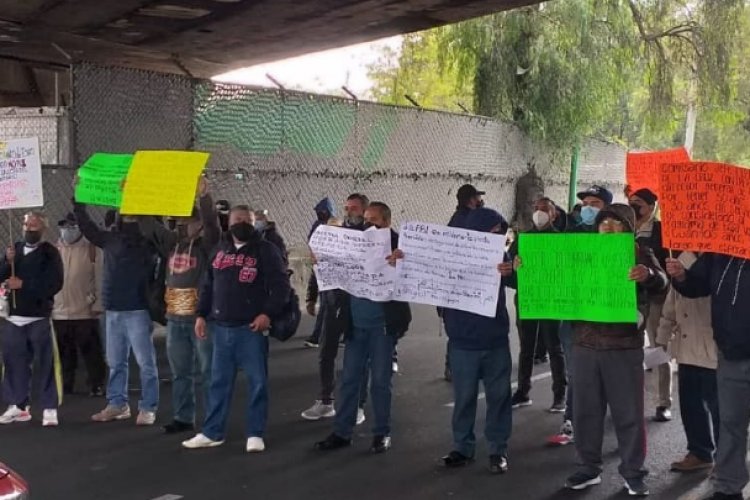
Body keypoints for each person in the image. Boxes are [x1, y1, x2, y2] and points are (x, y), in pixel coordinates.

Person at [561, 204, 667, 496]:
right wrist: (525, 267)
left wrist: (648, 275)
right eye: (603, 220)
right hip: (584, 345)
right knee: (585, 412)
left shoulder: (638, 252)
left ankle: (633, 473)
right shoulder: (581, 252)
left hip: (622, 348)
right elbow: (553, 277)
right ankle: (588, 467)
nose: (608, 225)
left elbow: (663, 284)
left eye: (616, 221)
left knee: (628, 413)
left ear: (628, 227)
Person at [182, 205, 290, 452]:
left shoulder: (266, 250)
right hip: (221, 329)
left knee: (257, 382)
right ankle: (212, 432)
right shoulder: (220, 250)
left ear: (254, 223)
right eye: (237, 219)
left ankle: (255, 433)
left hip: (251, 329)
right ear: (228, 223)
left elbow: (281, 286)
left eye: (247, 220)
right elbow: (208, 284)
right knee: (218, 382)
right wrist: (201, 314)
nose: (242, 223)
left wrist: (267, 313)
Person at [314, 202, 411, 453]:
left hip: (383, 327)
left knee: (380, 381)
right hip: (356, 325)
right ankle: (342, 432)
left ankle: (382, 432)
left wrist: (402, 263)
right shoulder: (353, 242)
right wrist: (321, 257)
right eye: (366, 219)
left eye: (374, 220)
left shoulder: (401, 245)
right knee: (349, 379)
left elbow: (414, 278)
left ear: (387, 222)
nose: (368, 224)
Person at [139, 179, 220, 435]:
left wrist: (204, 196)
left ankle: (212, 418)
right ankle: (183, 416)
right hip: (175, 316)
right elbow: (150, 227)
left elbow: (212, 225)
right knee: (180, 372)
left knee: (208, 372)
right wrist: (136, 197)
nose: (181, 226)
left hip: (200, 317)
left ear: (197, 224)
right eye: (177, 222)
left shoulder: (208, 244)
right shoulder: (172, 243)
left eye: (186, 222)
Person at [666, 253, 750, 500]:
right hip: (731, 353)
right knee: (731, 423)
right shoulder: (720, 252)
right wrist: (681, 276)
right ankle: (728, 487)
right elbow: (697, 285)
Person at [439, 207, 514, 474]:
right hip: (462, 341)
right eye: (493, 232)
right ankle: (462, 447)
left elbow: (518, 280)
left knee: (499, 397)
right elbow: (422, 271)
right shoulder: (449, 258)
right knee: (464, 398)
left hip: (494, 340)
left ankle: (498, 449)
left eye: (500, 234)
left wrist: (511, 272)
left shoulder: (501, 255)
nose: (498, 238)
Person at [74, 202, 160, 426]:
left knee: (145, 363)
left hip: (137, 309)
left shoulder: (148, 240)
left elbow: (157, 230)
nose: (127, 212)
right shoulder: (111, 238)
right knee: (115, 361)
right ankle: (117, 404)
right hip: (113, 309)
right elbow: (87, 227)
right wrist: (78, 201)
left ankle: (148, 406)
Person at [547, 187, 613, 446]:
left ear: (606, 207)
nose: (587, 208)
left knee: (601, 374)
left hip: (604, 319)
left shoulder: (617, 237)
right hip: (573, 317)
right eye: (584, 203)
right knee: (576, 371)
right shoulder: (570, 235)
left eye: (594, 203)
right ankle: (571, 418)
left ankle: (597, 418)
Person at [301, 193, 371, 423]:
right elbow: (319, 269)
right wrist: (311, 297)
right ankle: (325, 401)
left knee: (357, 357)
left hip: (358, 305)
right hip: (333, 302)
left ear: (364, 211)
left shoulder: (371, 237)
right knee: (326, 353)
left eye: (354, 208)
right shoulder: (334, 235)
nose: (349, 211)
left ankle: (358, 405)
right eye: (347, 207)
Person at [0, 212, 64, 427]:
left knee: (45, 364)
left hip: (38, 318)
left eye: (34, 225)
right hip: (13, 318)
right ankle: (17, 405)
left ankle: (49, 407)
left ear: (43, 228)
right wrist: (5, 261)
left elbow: (54, 284)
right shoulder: (14, 251)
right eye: (27, 224)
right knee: (13, 364)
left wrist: (24, 285)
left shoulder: (49, 253)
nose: (29, 229)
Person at [656, 251, 718, 472]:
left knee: (720, 408)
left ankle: (726, 458)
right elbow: (671, 301)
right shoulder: (681, 257)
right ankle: (700, 452)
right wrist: (662, 336)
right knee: (690, 405)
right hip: (686, 344)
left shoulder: (721, 257)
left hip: (713, 344)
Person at [508, 198, 566, 412]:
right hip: (528, 299)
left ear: (554, 215)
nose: (539, 213)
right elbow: (509, 277)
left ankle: (560, 395)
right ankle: (523, 392)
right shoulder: (523, 240)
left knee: (554, 347)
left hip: (552, 301)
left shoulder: (562, 241)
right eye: (536, 209)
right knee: (526, 348)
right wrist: (514, 269)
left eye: (544, 210)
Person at [444, 184, 506, 381]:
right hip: (470, 318)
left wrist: (511, 270)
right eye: (478, 197)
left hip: (466, 322)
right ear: (472, 199)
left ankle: (452, 367)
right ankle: (454, 366)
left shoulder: (454, 221)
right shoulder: (470, 222)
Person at [629, 188, 673, 422]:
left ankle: (662, 401)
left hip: (656, 296)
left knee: (658, 348)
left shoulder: (660, 231)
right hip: (630, 298)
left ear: (651, 207)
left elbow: (668, 264)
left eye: (639, 203)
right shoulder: (622, 228)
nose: (634, 207)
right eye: (631, 202)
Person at [52, 212, 106, 397]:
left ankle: (96, 383)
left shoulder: (92, 249)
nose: (68, 230)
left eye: (72, 226)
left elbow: (100, 278)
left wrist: (98, 304)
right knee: (64, 352)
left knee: (91, 351)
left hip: (84, 310)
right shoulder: (54, 249)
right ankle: (66, 384)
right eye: (65, 226)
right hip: (59, 312)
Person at [304, 197, 336, 348]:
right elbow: (311, 242)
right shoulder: (318, 225)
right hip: (321, 266)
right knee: (326, 305)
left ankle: (319, 336)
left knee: (328, 306)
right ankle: (319, 335)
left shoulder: (336, 226)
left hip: (332, 271)